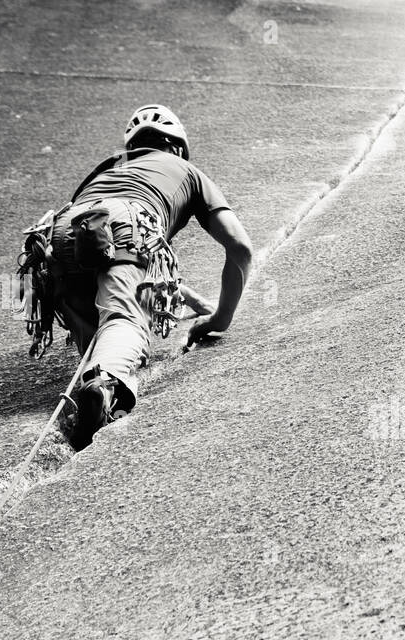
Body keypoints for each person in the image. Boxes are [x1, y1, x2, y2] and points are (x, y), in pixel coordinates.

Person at [47, 104, 253, 449]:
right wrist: (221, 317)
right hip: (129, 220)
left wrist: (190, 298)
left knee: (101, 328)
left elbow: (115, 262)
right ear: (176, 148)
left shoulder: (108, 171)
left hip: (64, 229)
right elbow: (240, 247)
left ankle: (100, 390)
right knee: (125, 320)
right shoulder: (187, 170)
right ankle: (105, 383)